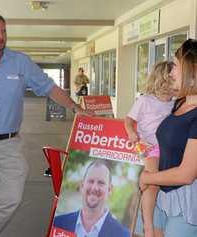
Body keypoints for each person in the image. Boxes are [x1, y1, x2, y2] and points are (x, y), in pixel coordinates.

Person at [0, 12, 88, 237]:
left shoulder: (20, 62)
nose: (1, 36)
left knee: (12, 197)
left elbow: (48, 87)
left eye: (3, 31)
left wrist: (75, 107)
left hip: (9, 145)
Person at [139, 38, 197, 237]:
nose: (171, 72)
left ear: (192, 70)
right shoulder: (179, 103)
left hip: (186, 202)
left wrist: (147, 177)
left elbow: (186, 174)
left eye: (176, 66)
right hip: (162, 196)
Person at [125, 61, 175, 237]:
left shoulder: (175, 104)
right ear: (163, 80)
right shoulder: (145, 101)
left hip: (166, 148)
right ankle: (148, 226)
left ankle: (159, 220)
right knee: (152, 184)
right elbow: (129, 120)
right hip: (147, 145)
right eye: (172, 79)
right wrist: (131, 132)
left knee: (162, 184)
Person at [53, 160, 130, 237]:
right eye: (91, 181)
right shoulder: (58, 223)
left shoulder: (123, 235)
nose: (94, 188)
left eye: (101, 183)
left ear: (109, 190)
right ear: (82, 186)